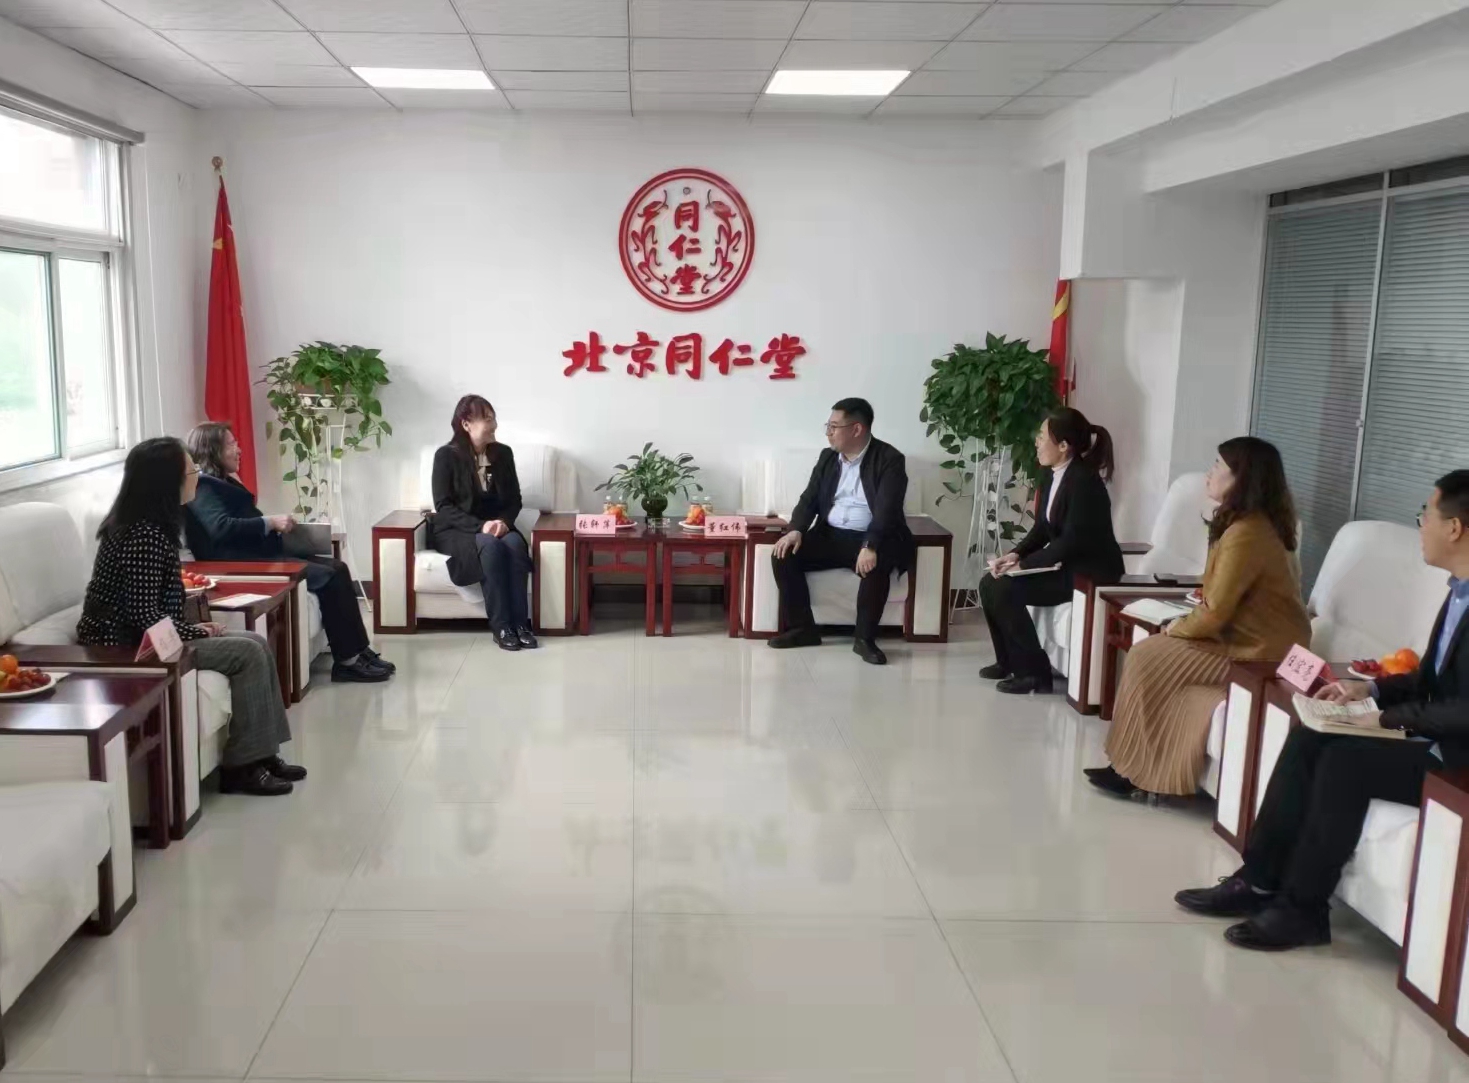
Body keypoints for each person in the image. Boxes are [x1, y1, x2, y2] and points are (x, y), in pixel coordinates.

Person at [1176, 471, 1469, 950]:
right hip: (1433, 734)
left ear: (1454, 528)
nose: (1421, 526)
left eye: (1426, 516)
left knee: (1345, 762)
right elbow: (1431, 679)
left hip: (1457, 758)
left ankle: (1304, 910)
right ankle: (1259, 879)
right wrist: (1367, 689)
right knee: (1312, 732)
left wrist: (1386, 718)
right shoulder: (1458, 590)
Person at [77, 437, 305, 797]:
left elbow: (152, 606)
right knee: (247, 652)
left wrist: (191, 627)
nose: (197, 477)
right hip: (124, 644)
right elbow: (141, 615)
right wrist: (193, 631)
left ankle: (263, 754)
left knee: (256, 643)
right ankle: (242, 768)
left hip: (143, 634)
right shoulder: (143, 535)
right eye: (191, 471)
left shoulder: (152, 526)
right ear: (167, 482)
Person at [1087, 436, 1310, 799]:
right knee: (1152, 657)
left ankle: (1133, 771)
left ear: (1242, 479)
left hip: (1259, 652)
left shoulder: (1248, 533)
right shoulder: (1249, 524)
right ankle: (1133, 769)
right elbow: (1220, 598)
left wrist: (1179, 628)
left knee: (1147, 655)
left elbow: (1216, 610)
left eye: (1218, 466)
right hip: (1239, 638)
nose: (1210, 473)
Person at [183, 422, 392, 684]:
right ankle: (347, 662)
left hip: (257, 554)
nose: (239, 449)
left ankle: (359, 650)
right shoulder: (203, 485)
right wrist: (269, 522)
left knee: (338, 568)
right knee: (328, 577)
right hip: (242, 562)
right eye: (231, 444)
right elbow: (220, 527)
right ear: (212, 450)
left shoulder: (220, 481)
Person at [979, 408, 1125, 695]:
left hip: (1090, 574)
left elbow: (1071, 541)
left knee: (1004, 589)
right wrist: (1015, 555)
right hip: (1068, 566)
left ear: (1063, 446)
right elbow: (1043, 529)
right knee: (989, 583)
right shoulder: (1052, 475)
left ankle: (1035, 674)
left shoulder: (1084, 482)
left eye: (1042, 436)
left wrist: (1025, 567)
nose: (1036, 442)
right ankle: (1007, 661)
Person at [768, 397, 915, 666]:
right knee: (784, 554)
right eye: (828, 426)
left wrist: (870, 545)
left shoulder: (889, 459)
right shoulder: (828, 457)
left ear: (856, 429)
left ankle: (864, 639)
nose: (828, 432)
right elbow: (809, 498)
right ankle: (803, 629)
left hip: (871, 535)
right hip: (831, 534)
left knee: (876, 565)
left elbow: (887, 509)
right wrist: (796, 529)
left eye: (834, 427)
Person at [430, 394, 536, 652]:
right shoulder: (446, 456)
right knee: (490, 546)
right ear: (466, 424)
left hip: (496, 526)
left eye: (493, 418)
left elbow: (514, 500)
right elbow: (443, 506)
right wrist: (481, 527)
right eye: (487, 419)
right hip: (458, 529)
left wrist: (504, 522)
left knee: (514, 544)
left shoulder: (503, 454)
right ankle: (501, 627)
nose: (494, 424)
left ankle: (521, 624)